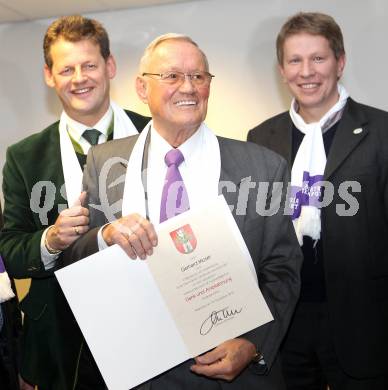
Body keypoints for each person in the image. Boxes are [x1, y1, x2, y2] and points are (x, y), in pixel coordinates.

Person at [63, 33, 302, 389]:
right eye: (172, 76)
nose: (188, 87)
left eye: (199, 77)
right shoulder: (105, 162)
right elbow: (77, 258)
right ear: (142, 89)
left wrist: (253, 343)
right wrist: (105, 236)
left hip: (230, 370)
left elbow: (282, 269)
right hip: (141, 369)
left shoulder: (263, 167)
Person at [0, 15, 149, 390]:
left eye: (89, 65)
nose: (79, 78)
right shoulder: (24, 156)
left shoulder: (157, 134)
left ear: (109, 66)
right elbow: (11, 249)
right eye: (66, 68)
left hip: (149, 322)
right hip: (62, 343)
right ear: (49, 76)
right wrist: (49, 240)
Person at [247, 12, 388, 390]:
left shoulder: (382, 132)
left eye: (318, 58)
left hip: (364, 323)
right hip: (285, 323)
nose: (306, 71)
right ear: (282, 69)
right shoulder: (261, 138)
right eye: (295, 60)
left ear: (340, 63)